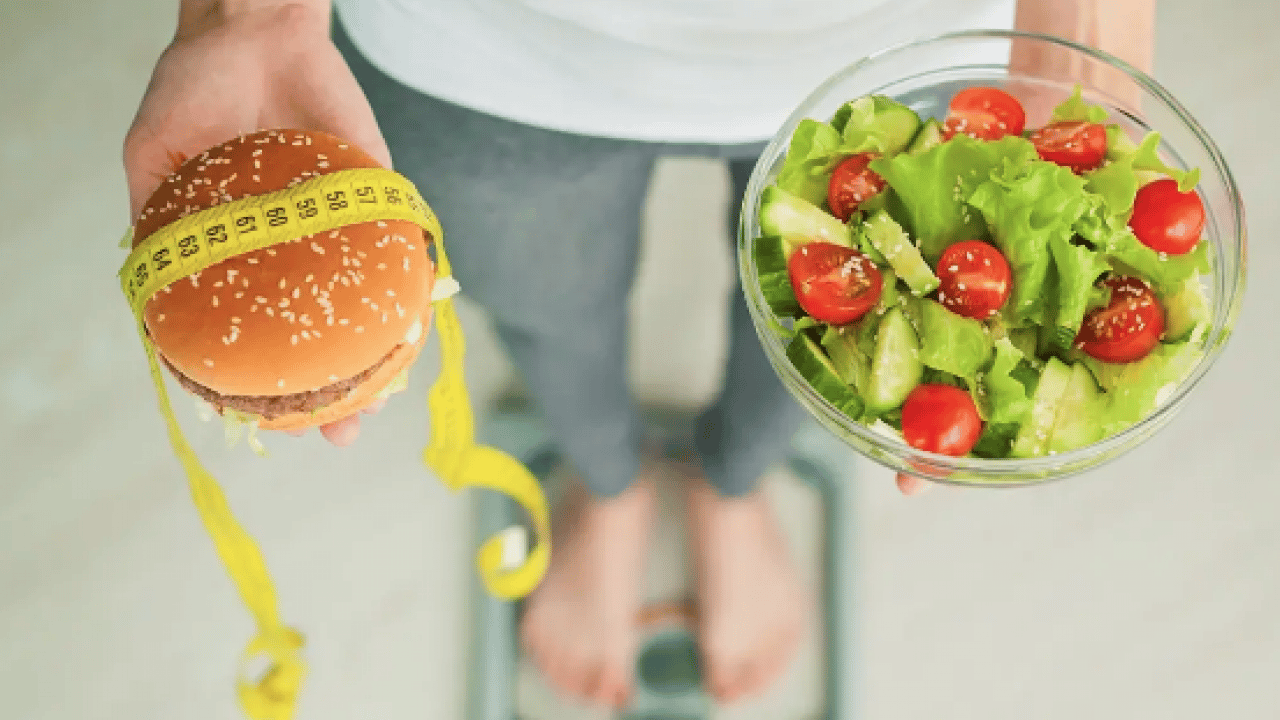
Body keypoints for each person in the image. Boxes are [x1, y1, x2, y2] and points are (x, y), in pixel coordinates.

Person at [123, 0, 1155, 708]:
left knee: (856, 349)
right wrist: (243, 14)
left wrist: (1078, 47)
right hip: (477, 46)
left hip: (910, 39)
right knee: (543, 311)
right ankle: (608, 487)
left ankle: (732, 486)